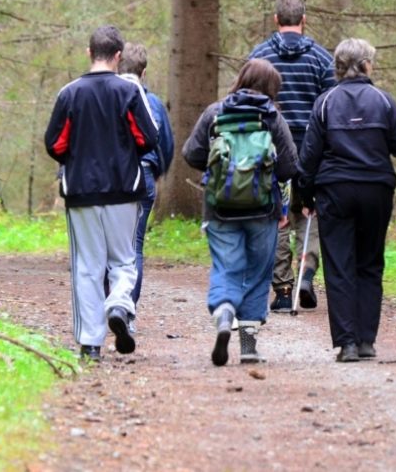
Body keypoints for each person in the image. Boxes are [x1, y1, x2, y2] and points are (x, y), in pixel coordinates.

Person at [297, 38, 396, 363]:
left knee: (339, 266)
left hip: (335, 191)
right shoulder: (383, 101)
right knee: (370, 263)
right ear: (365, 65)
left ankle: (347, 343)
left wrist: (306, 196)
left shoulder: (325, 102)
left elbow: (307, 160)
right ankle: (366, 341)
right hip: (376, 190)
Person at [44, 26, 159, 362]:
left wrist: (77, 156)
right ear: (119, 56)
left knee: (87, 266)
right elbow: (147, 139)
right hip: (124, 189)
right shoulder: (128, 91)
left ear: (88, 52)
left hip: (81, 191)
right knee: (123, 259)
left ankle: (90, 345)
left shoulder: (69, 93)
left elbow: (55, 144)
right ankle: (120, 305)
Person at [182, 59, 297, 366]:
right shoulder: (273, 117)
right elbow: (288, 166)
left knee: (226, 267)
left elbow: (191, 154)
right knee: (258, 273)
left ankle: (223, 312)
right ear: (272, 88)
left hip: (219, 208)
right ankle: (248, 346)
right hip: (264, 209)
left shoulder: (215, 112)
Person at [248, 0, 335, 313]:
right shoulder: (323, 59)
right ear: (304, 19)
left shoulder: (260, 56)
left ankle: (284, 290)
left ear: (275, 19)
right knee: (309, 214)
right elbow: (330, 107)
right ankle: (306, 275)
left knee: (277, 217)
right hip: (311, 149)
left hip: (269, 148)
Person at [118, 43, 175, 321]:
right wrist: (159, 170)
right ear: (144, 70)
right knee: (134, 246)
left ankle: (112, 303)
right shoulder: (152, 102)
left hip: (113, 178)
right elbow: (166, 144)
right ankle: (127, 311)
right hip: (144, 177)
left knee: (110, 246)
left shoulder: (109, 97)